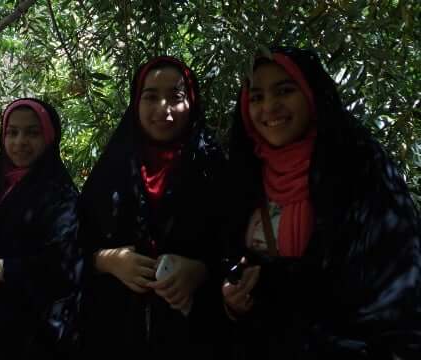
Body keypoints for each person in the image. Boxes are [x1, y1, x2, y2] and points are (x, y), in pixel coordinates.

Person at [222, 46, 421, 359]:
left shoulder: (357, 165)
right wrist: (234, 297)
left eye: (284, 91)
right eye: (256, 96)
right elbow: (233, 261)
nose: (269, 107)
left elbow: (390, 284)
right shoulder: (245, 172)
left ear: (311, 95)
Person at [78, 56, 227, 356]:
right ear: (136, 103)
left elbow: (237, 246)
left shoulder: (214, 168)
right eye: (151, 97)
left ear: (192, 102)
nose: (163, 109)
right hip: (115, 333)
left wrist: (202, 271)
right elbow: (71, 245)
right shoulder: (112, 168)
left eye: (176, 97)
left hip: (196, 334)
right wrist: (107, 260)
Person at [0, 98, 82, 358]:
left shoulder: (60, 196)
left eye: (32, 133)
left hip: (40, 335)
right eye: (12, 132)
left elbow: (65, 265)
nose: (20, 142)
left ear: (49, 137)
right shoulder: (1, 188)